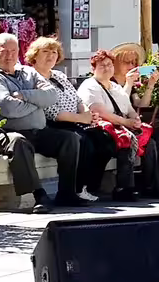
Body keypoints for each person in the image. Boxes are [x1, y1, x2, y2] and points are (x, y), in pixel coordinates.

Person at [0, 32, 89, 212]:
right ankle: (39, 195)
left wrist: (25, 97)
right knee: (19, 143)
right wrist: (38, 103)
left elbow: (51, 96)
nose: (9, 55)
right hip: (6, 132)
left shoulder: (28, 72)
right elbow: (9, 109)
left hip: (38, 130)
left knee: (70, 139)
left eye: (13, 51)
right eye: (3, 51)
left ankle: (67, 193)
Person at [23, 37, 122, 202]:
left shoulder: (59, 75)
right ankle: (74, 190)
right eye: (45, 52)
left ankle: (89, 187)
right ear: (34, 56)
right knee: (84, 142)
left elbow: (77, 99)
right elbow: (51, 112)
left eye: (53, 52)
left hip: (77, 120)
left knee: (105, 141)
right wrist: (81, 118)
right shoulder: (31, 78)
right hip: (54, 125)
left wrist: (87, 113)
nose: (50, 56)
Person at [78, 48, 159, 200]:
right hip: (100, 130)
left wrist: (135, 119)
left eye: (109, 65)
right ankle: (124, 188)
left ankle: (151, 186)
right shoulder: (89, 85)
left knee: (150, 143)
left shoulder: (115, 87)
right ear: (93, 68)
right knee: (126, 142)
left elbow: (129, 109)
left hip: (119, 128)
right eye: (102, 65)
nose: (106, 68)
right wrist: (126, 122)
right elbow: (99, 112)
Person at [111, 42, 159, 193]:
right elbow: (121, 102)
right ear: (117, 62)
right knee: (140, 141)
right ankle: (130, 188)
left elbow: (141, 104)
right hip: (114, 125)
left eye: (134, 62)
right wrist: (129, 83)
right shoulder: (110, 82)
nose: (131, 66)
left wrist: (150, 85)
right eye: (127, 62)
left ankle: (152, 185)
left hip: (128, 125)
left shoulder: (128, 82)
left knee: (150, 142)